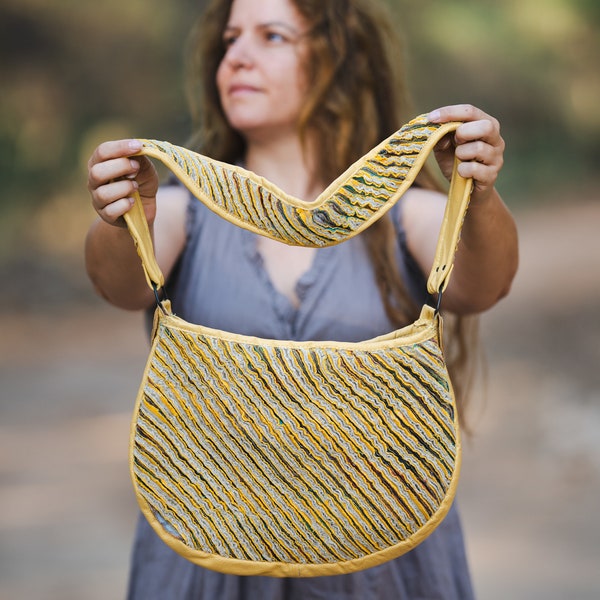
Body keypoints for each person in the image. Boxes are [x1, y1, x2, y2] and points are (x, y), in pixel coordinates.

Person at [85, 0, 519, 597]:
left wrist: (481, 194)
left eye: (271, 36)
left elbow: (485, 286)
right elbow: (117, 285)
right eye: (231, 38)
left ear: (337, 60)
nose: (236, 55)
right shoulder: (181, 212)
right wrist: (120, 215)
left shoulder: (408, 215)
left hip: (383, 556)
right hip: (208, 548)